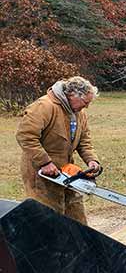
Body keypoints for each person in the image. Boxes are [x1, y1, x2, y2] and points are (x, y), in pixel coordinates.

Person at [15, 76, 101, 225]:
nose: (86, 107)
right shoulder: (44, 106)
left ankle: (78, 247)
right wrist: (44, 162)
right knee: (49, 217)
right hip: (41, 171)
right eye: (85, 102)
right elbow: (26, 136)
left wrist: (91, 160)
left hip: (66, 171)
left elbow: (84, 140)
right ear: (72, 95)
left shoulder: (78, 113)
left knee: (76, 215)